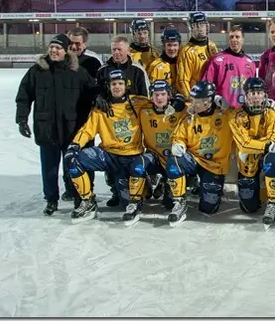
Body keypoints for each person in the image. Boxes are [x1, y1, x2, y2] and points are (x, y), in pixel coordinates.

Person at [14, 34, 94, 216]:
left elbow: (92, 90)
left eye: (58, 48)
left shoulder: (77, 71)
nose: (54, 50)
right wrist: (21, 119)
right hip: (47, 128)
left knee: (73, 166)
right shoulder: (37, 71)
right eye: (51, 47)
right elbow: (23, 96)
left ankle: (77, 196)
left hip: (71, 128)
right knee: (49, 168)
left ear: (65, 51)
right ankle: (51, 199)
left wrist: (102, 98)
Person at [64, 70, 153, 223]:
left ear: (126, 85)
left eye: (120, 83)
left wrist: (178, 102)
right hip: (108, 155)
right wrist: (74, 145)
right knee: (73, 160)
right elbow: (87, 130)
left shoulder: (139, 102)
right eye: (113, 84)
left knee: (125, 204)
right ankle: (88, 201)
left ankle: (144, 188)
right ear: (108, 86)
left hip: (131, 157)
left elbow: (161, 102)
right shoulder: (101, 108)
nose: (117, 87)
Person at [165, 81, 234, 225]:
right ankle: (179, 201)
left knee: (208, 209)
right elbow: (179, 135)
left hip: (215, 164)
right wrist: (178, 144)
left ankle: (209, 186)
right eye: (192, 100)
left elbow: (243, 114)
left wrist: (268, 105)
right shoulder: (189, 115)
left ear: (208, 102)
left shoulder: (225, 114)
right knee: (174, 161)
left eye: (197, 102)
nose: (193, 105)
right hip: (194, 158)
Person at [95, 35, 150, 207]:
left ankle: (143, 186)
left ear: (127, 50)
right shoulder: (102, 71)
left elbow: (145, 97)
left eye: (120, 49)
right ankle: (116, 191)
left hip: (132, 124)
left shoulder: (137, 70)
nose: (116, 52)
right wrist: (97, 97)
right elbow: (97, 91)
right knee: (112, 162)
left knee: (132, 161)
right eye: (113, 49)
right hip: (110, 124)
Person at [229, 78, 275, 225]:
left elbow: (273, 138)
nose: (256, 97)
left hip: (262, 156)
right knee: (249, 208)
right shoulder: (236, 115)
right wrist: (266, 146)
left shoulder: (271, 113)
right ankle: (261, 193)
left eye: (259, 93)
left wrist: (254, 147)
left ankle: (273, 201)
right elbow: (243, 143)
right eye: (252, 93)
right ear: (246, 96)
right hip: (247, 163)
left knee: (274, 158)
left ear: (264, 95)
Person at [130, 79, 187, 215]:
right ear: (151, 96)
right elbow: (128, 99)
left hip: (173, 159)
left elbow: (198, 106)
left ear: (168, 95)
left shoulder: (179, 110)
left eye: (163, 94)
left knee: (168, 204)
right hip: (154, 156)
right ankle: (135, 201)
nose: (159, 98)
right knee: (138, 165)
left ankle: (169, 187)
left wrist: (181, 99)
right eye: (156, 95)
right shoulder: (144, 110)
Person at [66, 27, 103, 204]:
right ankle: (70, 188)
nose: (73, 47)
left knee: (86, 154)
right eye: (71, 43)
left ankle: (88, 189)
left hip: (86, 117)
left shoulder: (92, 61)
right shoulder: (61, 59)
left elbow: (99, 87)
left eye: (77, 43)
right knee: (67, 153)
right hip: (65, 116)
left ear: (85, 44)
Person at [202, 25, 257, 109]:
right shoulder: (217, 60)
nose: (234, 40)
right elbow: (206, 85)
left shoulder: (250, 63)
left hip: (242, 112)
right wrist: (216, 98)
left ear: (243, 40)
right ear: (228, 40)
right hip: (221, 111)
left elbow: (253, 89)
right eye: (231, 37)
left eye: (237, 37)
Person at [176, 11, 219, 98]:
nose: (200, 28)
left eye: (202, 25)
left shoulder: (212, 45)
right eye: (197, 25)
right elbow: (183, 80)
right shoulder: (186, 51)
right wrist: (192, 100)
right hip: (198, 98)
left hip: (211, 96)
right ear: (191, 28)